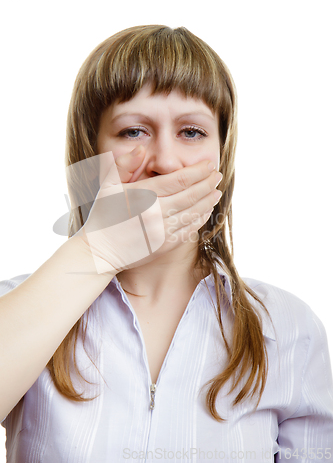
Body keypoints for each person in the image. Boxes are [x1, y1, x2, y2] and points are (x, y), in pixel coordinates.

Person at [0, 25, 332, 462]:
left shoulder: (288, 328)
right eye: (133, 131)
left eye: (192, 132)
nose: (166, 162)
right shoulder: (20, 304)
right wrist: (95, 251)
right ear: (91, 149)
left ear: (221, 155)